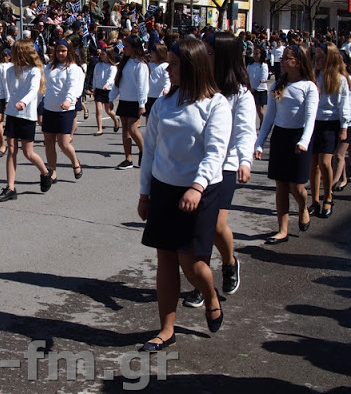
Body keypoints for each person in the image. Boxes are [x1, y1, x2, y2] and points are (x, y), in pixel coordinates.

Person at [137, 37, 232, 352]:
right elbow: (150, 150)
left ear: (191, 67)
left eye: (175, 64)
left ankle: (211, 295)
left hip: (199, 191)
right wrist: (145, 193)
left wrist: (197, 185)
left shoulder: (216, 103)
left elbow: (215, 152)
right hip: (165, 189)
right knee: (165, 257)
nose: (168, 69)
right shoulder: (164, 103)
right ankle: (166, 329)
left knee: (191, 264)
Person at [183, 32, 256, 309]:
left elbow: (245, 132)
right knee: (197, 228)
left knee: (214, 225)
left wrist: (245, 161)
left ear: (224, 57)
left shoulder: (241, 94)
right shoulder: (201, 87)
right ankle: (202, 283)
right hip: (198, 166)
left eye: (211, 53)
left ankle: (230, 261)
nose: (206, 57)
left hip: (226, 165)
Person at [254, 44, 319, 244]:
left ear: (297, 63)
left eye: (286, 58)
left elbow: (310, 118)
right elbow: (269, 118)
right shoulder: (277, 86)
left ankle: (302, 206)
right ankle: (282, 229)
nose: (281, 61)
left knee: (296, 186)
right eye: (282, 58)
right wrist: (258, 143)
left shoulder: (309, 87)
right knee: (281, 185)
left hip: (299, 139)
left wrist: (304, 141)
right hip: (280, 137)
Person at [0, 40, 53, 201]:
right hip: (13, 113)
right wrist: (8, 102)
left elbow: (33, 90)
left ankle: (45, 172)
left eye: (14, 51)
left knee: (28, 152)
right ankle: (10, 188)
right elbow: (9, 89)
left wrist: (24, 102)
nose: (11, 54)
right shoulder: (9, 70)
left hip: (27, 114)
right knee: (11, 150)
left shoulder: (34, 70)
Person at [307, 43, 350, 219]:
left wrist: (344, 127)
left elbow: (344, 105)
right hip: (314, 123)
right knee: (314, 164)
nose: (317, 61)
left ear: (329, 58)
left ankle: (328, 196)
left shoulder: (340, 79)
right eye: (315, 57)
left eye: (321, 57)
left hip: (330, 123)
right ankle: (315, 200)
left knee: (325, 162)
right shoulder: (314, 77)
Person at [42, 39, 83, 182]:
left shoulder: (72, 68)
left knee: (64, 143)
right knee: (49, 141)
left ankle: (75, 162)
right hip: (49, 109)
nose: (60, 53)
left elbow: (73, 86)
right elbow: (42, 88)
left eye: (63, 50)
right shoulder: (48, 68)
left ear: (69, 51)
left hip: (65, 110)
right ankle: (52, 172)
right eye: (58, 50)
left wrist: (68, 100)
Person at [108, 35, 148, 169]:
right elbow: (117, 82)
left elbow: (143, 86)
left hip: (135, 101)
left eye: (127, 46)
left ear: (135, 48)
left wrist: (142, 104)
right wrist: (111, 98)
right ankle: (128, 158)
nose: (124, 49)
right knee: (125, 129)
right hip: (124, 100)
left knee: (132, 128)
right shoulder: (124, 63)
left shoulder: (140, 65)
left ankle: (144, 152)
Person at [92, 46, 120, 135]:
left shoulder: (113, 67)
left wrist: (107, 84)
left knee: (108, 111)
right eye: (101, 54)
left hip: (108, 90)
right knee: (98, 109)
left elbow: (111, 78)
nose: (101, 56)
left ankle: (115, 119)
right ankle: (99, 129)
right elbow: (95, 77)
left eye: (103, 54)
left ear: (108, 55)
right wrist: (94, 88)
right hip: (99, 89)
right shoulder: (98, 65)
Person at [145, 44, 170, 122]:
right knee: (148, 117)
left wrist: (166, 89)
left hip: (159, 97)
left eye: (153, 53)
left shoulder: (165, 66)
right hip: (149, 95)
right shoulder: (149, 65)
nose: (150, 54)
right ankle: (149, 133)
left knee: (158, 118)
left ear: (159, 54)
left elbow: (167, 80)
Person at [247, 46, 269, 128]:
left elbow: (264, 74)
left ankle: (263, 123)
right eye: (254, 53)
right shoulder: (250, 65)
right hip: (252, 90)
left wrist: (263, 79)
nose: (255, 55)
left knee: (259, 109)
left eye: (257, 53)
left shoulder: (263, 65)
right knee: (253, 108)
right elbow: (247, 76)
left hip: (260, 89)